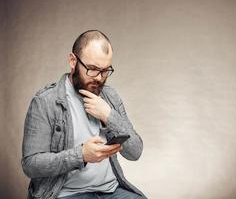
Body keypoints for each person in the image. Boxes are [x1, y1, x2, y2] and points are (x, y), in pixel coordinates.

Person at [21, 30, 146, 199]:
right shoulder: (45, 101)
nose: (100, 78)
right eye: (93, 69)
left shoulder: (110, 97)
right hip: (66, 194)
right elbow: (30, 165)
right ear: (73, 61)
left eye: (105, 71)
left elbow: (135, 152)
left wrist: (109, 116)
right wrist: (80, 155)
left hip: (111, 191)